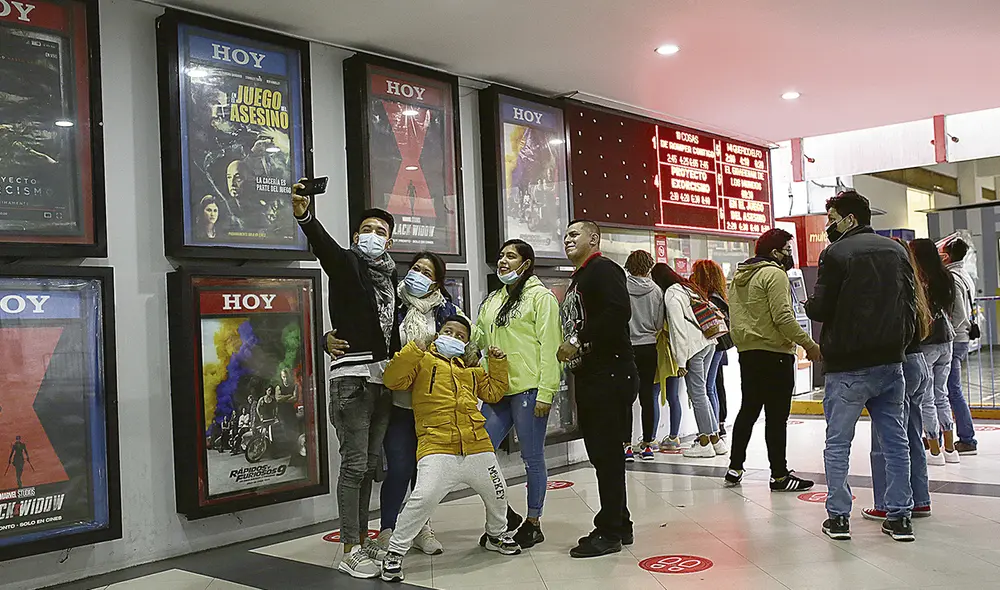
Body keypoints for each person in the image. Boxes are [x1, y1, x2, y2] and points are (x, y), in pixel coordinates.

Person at [292, 182, 400, 579]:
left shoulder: (391, 279)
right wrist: (305, 215)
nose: (374, 236)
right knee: (354, 465)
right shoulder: (347, 263)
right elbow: (324, 247)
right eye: (367, 230)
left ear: (389, 241)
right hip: (351, 380)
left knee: (371, 463)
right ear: (357, 237)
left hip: (383, 381)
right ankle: (350, 546)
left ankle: (360, 535)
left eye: (381, 231)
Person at [805, 190, 917, 543]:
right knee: (896, 441)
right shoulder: (897, 251)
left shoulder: (835, 254)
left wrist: (809, 304)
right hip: (890, 362)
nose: (828, 226)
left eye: (832, 219)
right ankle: (900, 517)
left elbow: (821, 309)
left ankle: (839, 517)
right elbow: (911, 301)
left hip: (848, 366)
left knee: (838, 443)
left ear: (849, 219)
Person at [380, 316, 521, 582]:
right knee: (423, 498)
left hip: (477, 444)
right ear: (437, 333)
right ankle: (395, 552)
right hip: (437, 444)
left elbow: (493, 393)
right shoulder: (422, 361)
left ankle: (496, 534)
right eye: (448, 331)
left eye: (460, 335)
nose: (453, 337)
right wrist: (415, 348)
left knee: (498, 492)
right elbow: (393, 380)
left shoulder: (471, 369)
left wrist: (498, 363)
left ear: (466, 343)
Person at [558, 219, 638, 558]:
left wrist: (577, 341)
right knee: (604, 454)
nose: (567, 240)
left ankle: (609, 532)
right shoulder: (582, 276)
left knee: (605, 455)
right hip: (596, 375)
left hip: (609, 374)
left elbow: (619, 311)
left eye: (574, 234)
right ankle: (620, 521)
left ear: (594, 238)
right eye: (565, 235)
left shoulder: (603, 269)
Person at [476, 239, 562, 549]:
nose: (503, 261)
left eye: (510, 256)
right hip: (496, 389)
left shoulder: (541, 299)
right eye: (500, 255)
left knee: (532, 457)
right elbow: (478, 337)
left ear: (526, 263)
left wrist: (546, 391)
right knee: (479, 453)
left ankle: (533, 521)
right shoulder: (493, 300)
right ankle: (505, 516)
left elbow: (551, 348)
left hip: (529, 389)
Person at [377, 251, 462, 556]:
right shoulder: (391, 305)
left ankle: (420, 528)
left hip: (432, 407)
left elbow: (462, 348)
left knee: (425, 475)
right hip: (398, 404)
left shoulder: (447, 311)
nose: (419, 275)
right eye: (416, 269)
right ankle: (387, 530)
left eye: (427, 272)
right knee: (399, 468)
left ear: (437, 281)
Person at [724, 229, 820, 491]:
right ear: (776, 252)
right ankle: (779, 474)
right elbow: (783, 318)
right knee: (776, 417)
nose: (790, 255)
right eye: (788, 250)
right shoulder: (774, 274)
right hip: (775, 354)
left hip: (748, 353)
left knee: (748, 410)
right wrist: (810, 345)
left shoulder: (739, 276)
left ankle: (734, 467)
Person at [864, 238, 934, 521]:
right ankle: (920, 499)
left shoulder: (886, 288)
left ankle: (886, 502)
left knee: (885, 441)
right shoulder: (914, 284)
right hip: (918, 363)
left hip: (898, 365)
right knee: (911, 436)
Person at [660, 264, 726, 458]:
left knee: (697, 395)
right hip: (709, 343)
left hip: (695, 348)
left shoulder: (672, 294)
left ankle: (705, 441)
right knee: (703, 393)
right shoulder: (687, 287)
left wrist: (680, 362)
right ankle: (716, 440)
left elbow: (678, 329)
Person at [909, 238, 959, 465]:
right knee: (942, 395)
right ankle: (951, 449)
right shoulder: (946, 277)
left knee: (927, 398)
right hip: (946, 341)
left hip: (927, 342)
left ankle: (935, 450)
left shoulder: (919, 280)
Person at [625, 250, 664, 462]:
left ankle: (626, 446)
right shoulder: (657, 291)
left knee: (627, 398)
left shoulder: (621, 288)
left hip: (627, 348)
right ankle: (648, 444)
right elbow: (659, 324)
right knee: (647, 396)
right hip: (649, 347)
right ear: (649, 267)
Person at [942, 237, 979, 455]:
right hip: (962, 338)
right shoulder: (965, 275)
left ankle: (967, 439)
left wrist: (947, 331)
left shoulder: (953, 278)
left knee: (952, 390)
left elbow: (958, 313)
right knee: (950, 389)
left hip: (955, 339)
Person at [690, 260, 732, 432]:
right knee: (713, 385)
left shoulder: (711, 298)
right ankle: (717, 426)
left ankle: (713, 429)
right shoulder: (719, 296)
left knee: (708, 386)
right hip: (719, 346)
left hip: (714, 345)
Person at [650, 263, 683, 451]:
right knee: (673, 396)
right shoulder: (678, 292)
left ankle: (651, 438)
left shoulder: (661, 296)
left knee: (653, 393)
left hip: (658, 349)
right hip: (674, 352)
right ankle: (674, 436)